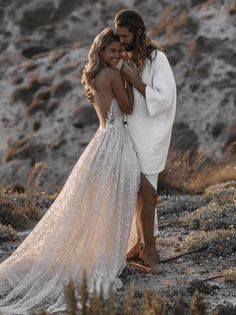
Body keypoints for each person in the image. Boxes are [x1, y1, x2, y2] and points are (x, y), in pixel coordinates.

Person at [0, 27, 144, 314]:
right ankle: (112, 256)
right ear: (101, 52)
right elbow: (127, 109)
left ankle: (115, 251)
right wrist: (131, 80)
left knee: (102, 200)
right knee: (119, 196)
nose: (118, 55)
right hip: (116, 140)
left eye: (119, 51)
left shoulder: (91, 75)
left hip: (100, 138)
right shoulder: (115, 75)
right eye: (113, 51)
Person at [113, 9, 177, 268]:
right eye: (118, 36)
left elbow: (164, 99)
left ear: (137, 32)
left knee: (146, 195)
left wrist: (135, 80)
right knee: (133, 195)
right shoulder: (120, 56)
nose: (121, 40)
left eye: (125, 36)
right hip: (125, 135)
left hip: (149, 137)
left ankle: (149, 250)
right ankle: (136, 246)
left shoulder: (157, 59)